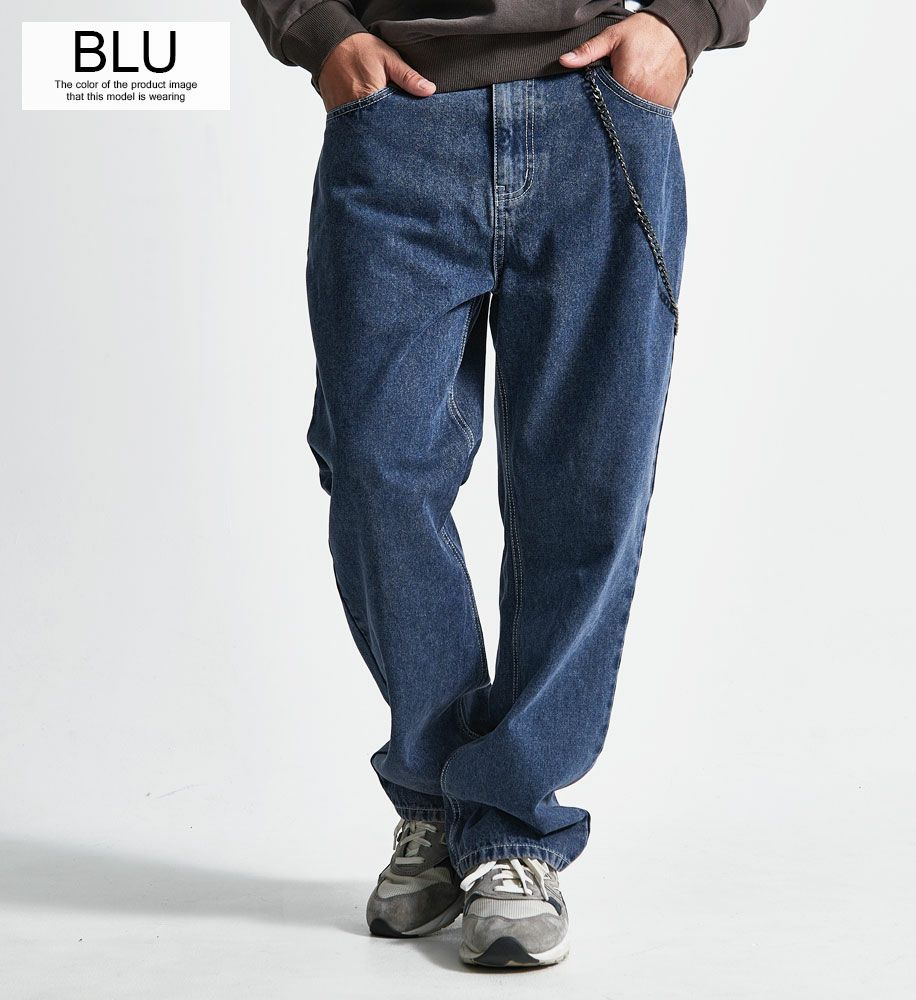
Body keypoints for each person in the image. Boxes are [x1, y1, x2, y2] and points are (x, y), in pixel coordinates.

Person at [242, 0, 765, 969]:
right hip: (396, 119)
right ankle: (439, 798)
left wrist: (687, 20)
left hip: (595, 121)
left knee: (586, 489)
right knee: (375, 468)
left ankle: (511, 824)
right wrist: (315, 29)